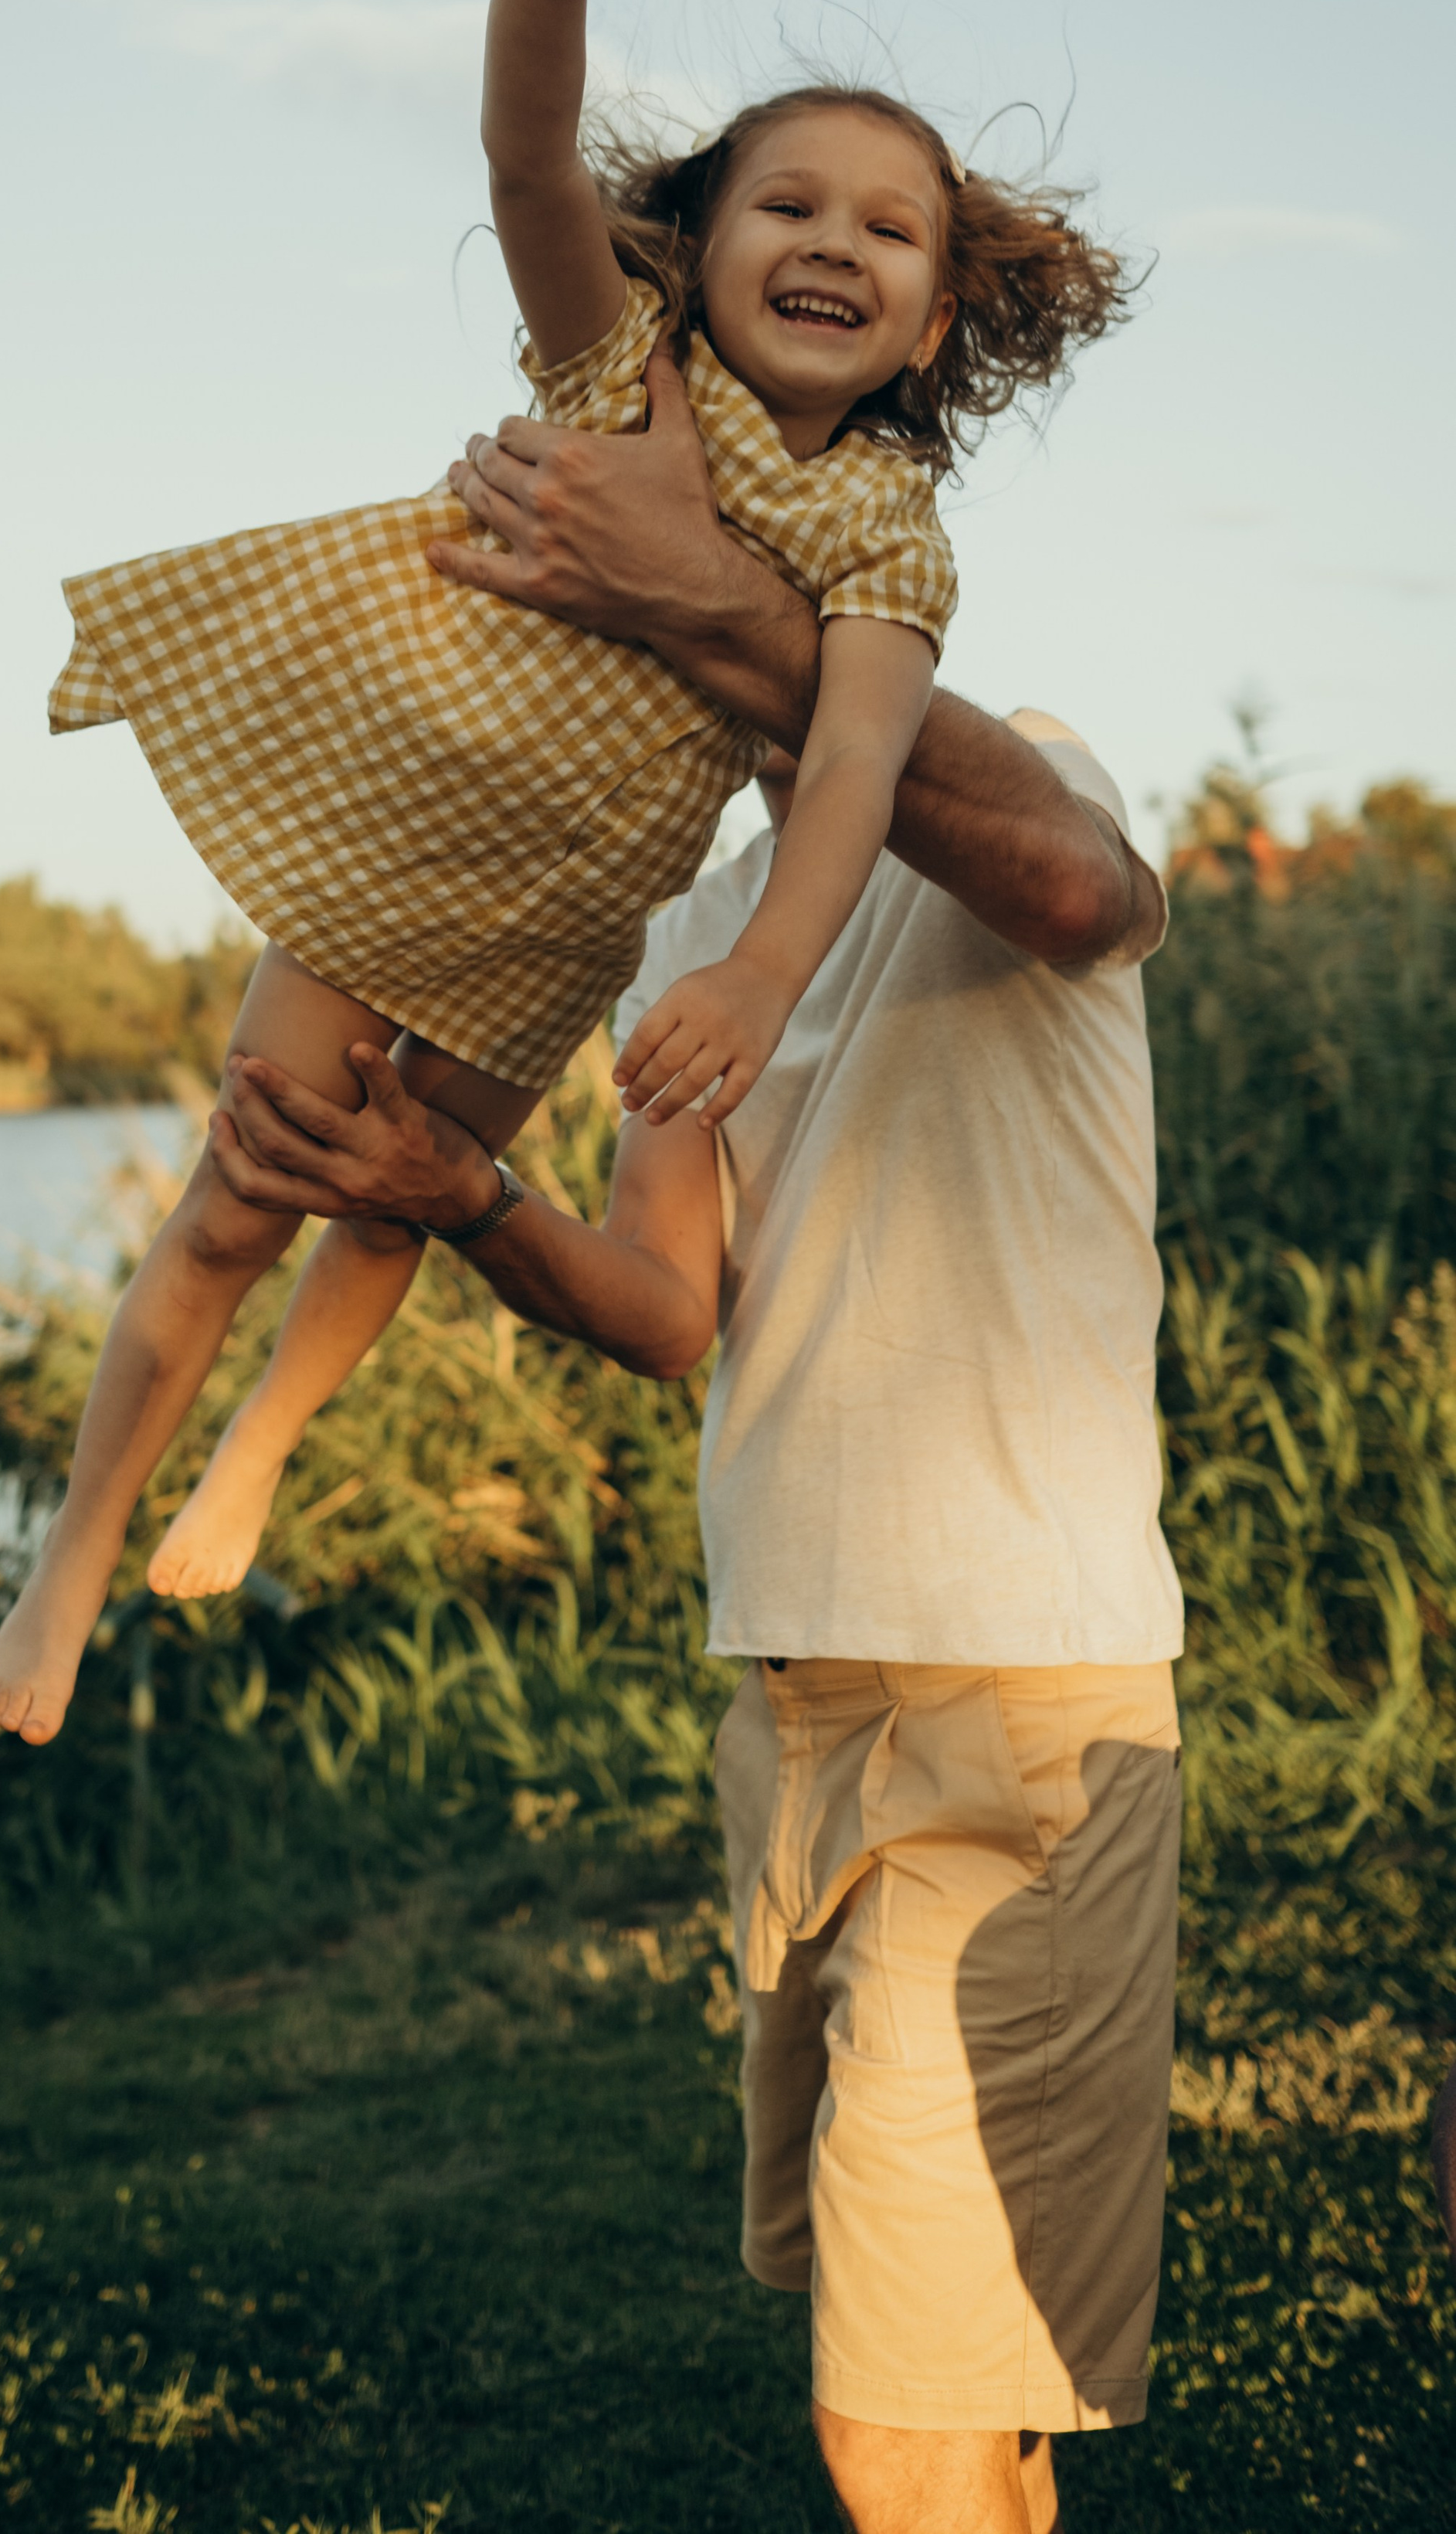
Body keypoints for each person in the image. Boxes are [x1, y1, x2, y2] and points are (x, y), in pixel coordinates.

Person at [0, 0, 1129, 1741]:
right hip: (387, 815)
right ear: (702, 246)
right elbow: (522, 158)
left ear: (940, 319)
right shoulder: (625, 374)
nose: (833, 241)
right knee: (245, 1186)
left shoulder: (887, 539)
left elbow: (856, 774)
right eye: (789, 200)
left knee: (397, 1204)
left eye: (889, 231)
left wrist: (761, 981)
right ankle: (71, 1560)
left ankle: (256, 1457)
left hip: (562, 901)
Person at [197, 389, 1182, 2534]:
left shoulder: (1022, 775)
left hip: (1015, 1695)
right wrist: (454, 1189)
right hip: (800, 1702)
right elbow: (667, 1314)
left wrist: (704, 583)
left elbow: (1086, 892)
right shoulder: (679, 926)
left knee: (891, 2410)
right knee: (935, 2346)